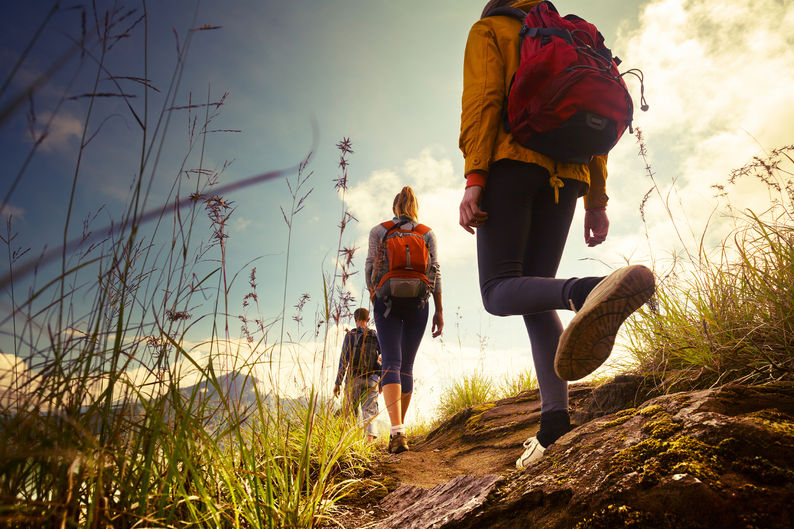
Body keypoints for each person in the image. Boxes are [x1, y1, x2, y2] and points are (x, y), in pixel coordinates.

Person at [458, 0, 655, 470]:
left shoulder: (492, 29)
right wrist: (597, 201)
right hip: (569, 176)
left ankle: (586, 292)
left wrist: (475, 177)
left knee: (498, 290)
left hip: (512, 165)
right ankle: (554, 425)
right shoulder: (572, 36)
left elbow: (483, 99)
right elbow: (597, 128)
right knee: (534, 297)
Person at [366, 186, 444, 454]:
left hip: (386, 302)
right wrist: (439, 310)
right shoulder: (426, 233)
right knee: (407, 366)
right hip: (419, 304)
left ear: (394, 208)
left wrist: (374, 296)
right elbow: (436, 272)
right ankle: (400, 431)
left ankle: (396, 429)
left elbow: (369, 268)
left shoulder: (380, 230)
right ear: (415, 208)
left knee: (391, 362)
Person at [333, 308, 382, 443]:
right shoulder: (375, 335)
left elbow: (344, 360)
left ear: (355, 319)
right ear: (368, 319)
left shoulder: (350, 335)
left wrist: (338, 383)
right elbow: (383, 358)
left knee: (350, 411)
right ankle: (369, 442)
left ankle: (351, 443)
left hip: (353, 379)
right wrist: (381, 382)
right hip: (372, 379)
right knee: (370, 411)